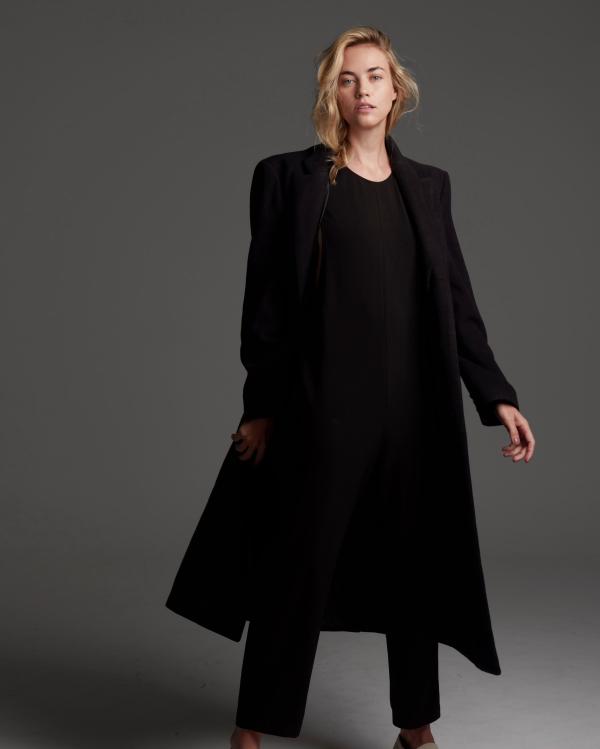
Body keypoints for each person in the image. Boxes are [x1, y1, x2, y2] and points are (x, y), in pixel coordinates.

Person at [165, 26, 535, 749]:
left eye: (374, 76)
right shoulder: (289, 179)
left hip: (415, 414)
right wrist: (262, 407)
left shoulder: (428, 187)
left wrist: (497, 395)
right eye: (346, 77)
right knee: (295, 567)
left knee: (414, 569)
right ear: (330, 93)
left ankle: (415, 730)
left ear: (397, 92)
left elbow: (456, 301)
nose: (362, 89)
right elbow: (267, 303)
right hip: (323, 407)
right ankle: (251, 730)